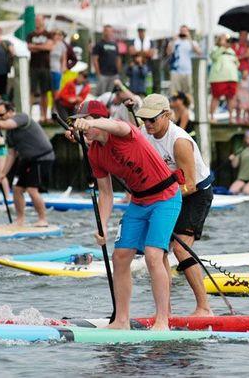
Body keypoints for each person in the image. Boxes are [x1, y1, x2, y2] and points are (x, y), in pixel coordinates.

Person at [69, 100, 182, 330]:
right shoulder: (95, 154)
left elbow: (113, 124)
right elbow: (106, 194)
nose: (81, 129)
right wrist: (101, 226)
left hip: (166, 197)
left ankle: (162, 320)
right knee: (119, 258)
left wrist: (92, 121)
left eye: (85, 122)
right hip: (139, 202)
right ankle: (121, 320)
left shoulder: (123, 131)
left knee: (152, 255)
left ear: (98, 121)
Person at [136, 94, 214, 316]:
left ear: (167, 116)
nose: (148, 124)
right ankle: (165, 311)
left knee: (180, 249)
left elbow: (190, 185)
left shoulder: (179, 141)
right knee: (158, 249)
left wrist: (158, 198)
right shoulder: (144, 133)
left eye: (152, 120)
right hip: (169, 193)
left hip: (196, 193)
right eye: (145, 120)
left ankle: (204, 307)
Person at [0, 101, 53, 227]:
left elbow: (6, 124)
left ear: (10, 112)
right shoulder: (9, 134)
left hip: (42, 157)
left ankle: (43, 219)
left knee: (32, 190)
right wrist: (3, 173)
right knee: (16, 189)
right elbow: (11, 154)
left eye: (1, 115)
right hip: (26, 159)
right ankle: (20, 219)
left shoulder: (22, 117)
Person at [26, 15, 54, 123]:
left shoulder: (48, 34)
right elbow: (29, 47)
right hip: (33, 66)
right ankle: (30, 115)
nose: (37, 22)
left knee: (45, 92)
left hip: (45, 67)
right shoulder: (31, 35)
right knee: (32, 91)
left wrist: (36, 46)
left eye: (39, 20)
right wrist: (42, 46)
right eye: (36, 20)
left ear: (43, 21)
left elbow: (50, 47)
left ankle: (44, 116)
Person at [208, 34, 239, 123]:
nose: (227, 41)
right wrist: (222, 47)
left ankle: (230, 117)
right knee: (216, 97)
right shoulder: (215, 49)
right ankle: (212, 116)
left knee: (231, 97)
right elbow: (213, 57)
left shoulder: (232, 51)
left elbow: (237, 63)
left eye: (227, 40)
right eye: (225, 39)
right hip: (218, 78)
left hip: (232, 77)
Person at [166, 25, 202, 95]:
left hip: (187, 71)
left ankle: (187, 105)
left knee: (187, 92)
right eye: (181, 31)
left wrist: (190, 39)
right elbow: (168, 52)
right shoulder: (175, 41)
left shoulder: (192, 42)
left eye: (185, 31)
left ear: (188, 32)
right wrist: (173, 40)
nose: (183, 33)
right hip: (175, 71)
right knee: (175, 93)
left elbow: (199, 52)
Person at [92, 25, 123, 96]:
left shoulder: (115, 44)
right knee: (102, 94)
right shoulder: (99, 44)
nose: (108, 33)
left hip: (114, 74)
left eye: (110, 31)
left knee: (111, 95)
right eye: (107, 31)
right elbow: (95, 59)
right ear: (103, 32)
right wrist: (98, 73)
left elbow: (118, 58)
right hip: (103, 74)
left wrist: (118, 71)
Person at [49, 29, 67, 95]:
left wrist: (63, 67)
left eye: (59, 34)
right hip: (48, 69)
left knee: (56, 90)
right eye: (55, 34)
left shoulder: (62, 45)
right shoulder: (48, 43)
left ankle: (56, 105)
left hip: (57, 69)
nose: (57, 36)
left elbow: (64, 58)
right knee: (47, 90)